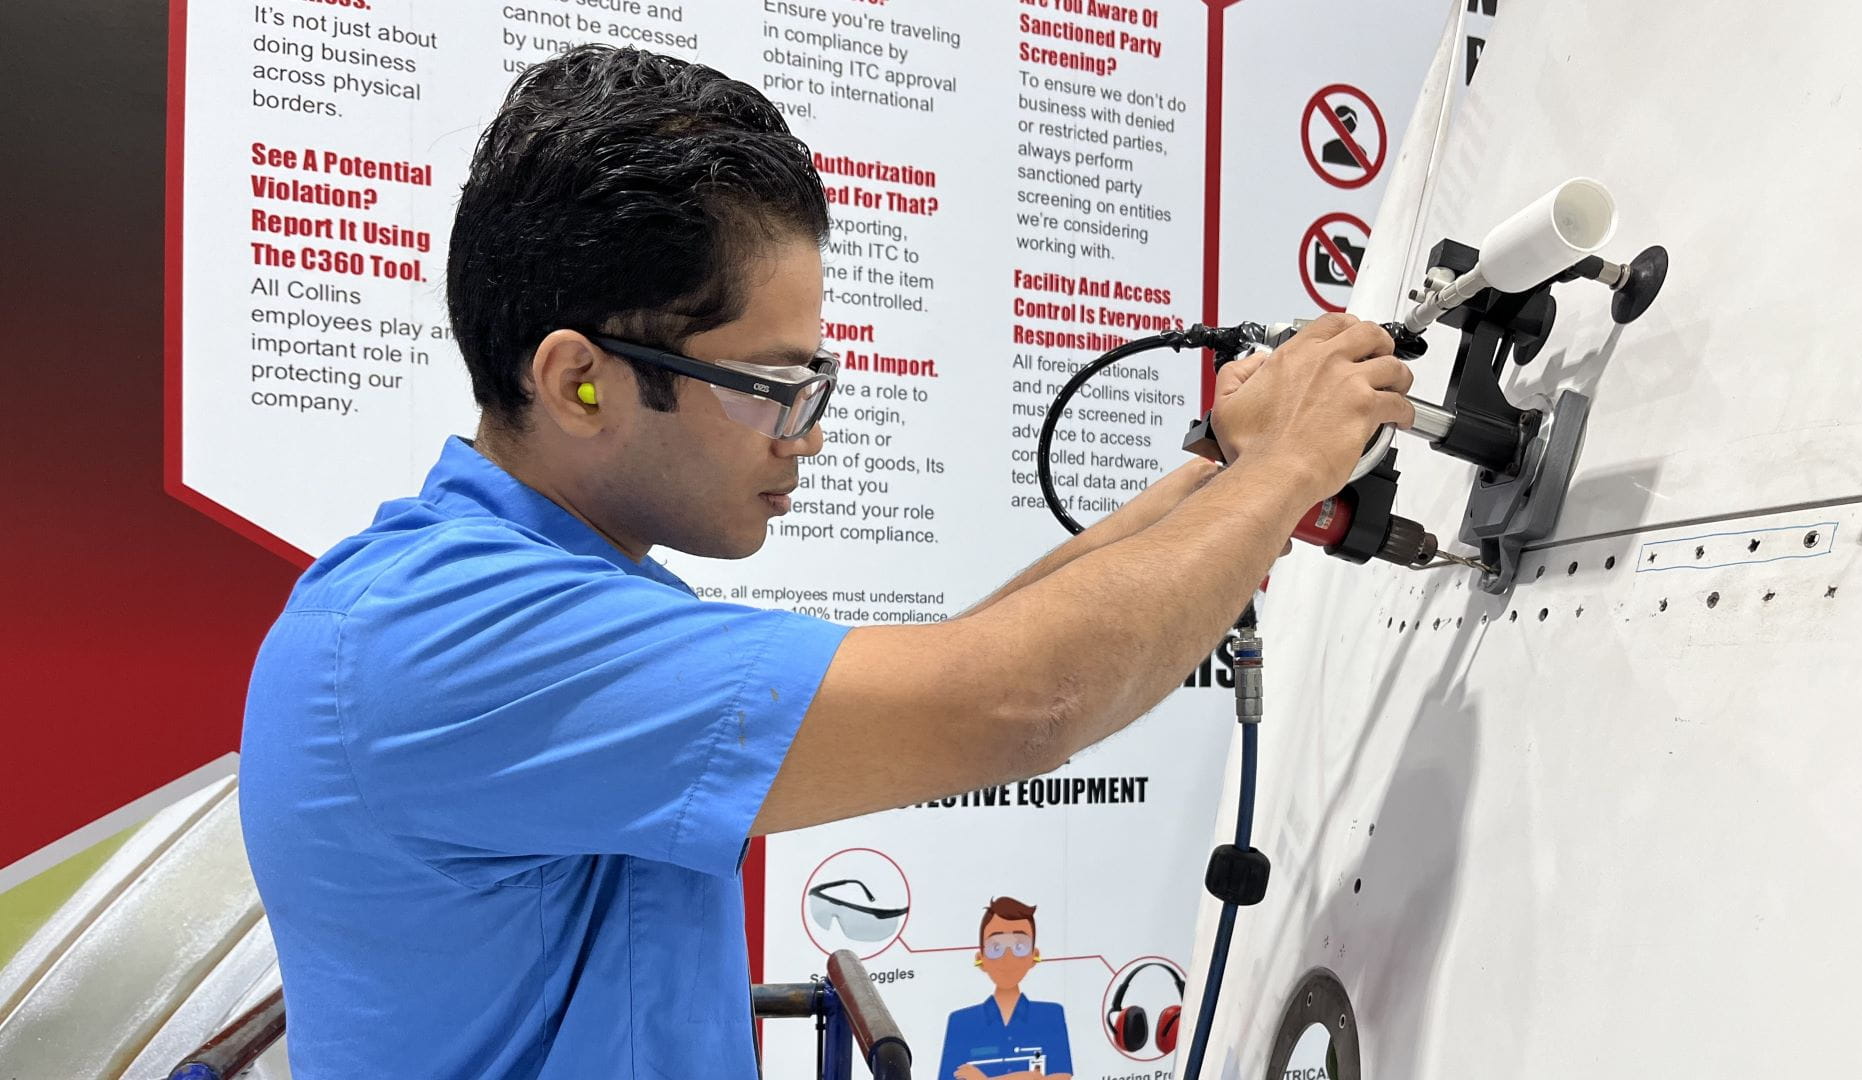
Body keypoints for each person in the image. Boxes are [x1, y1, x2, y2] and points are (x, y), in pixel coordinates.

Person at [238, 45, 1414, 1080]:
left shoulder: (543, 593)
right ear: (578, 380)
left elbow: (954, 668)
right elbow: (1016, 699)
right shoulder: (444, 637)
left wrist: (1216, 472)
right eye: (775, 386)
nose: (809, 432)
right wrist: (1290, 466)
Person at [940, 897, 1073, 1080]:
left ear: (1034, 955)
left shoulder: (1051, 1016)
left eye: (1019, 946)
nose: (1008, 958)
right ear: (981, 958)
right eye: (996, 947)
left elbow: (1060, 1077)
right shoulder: (961, 1023)